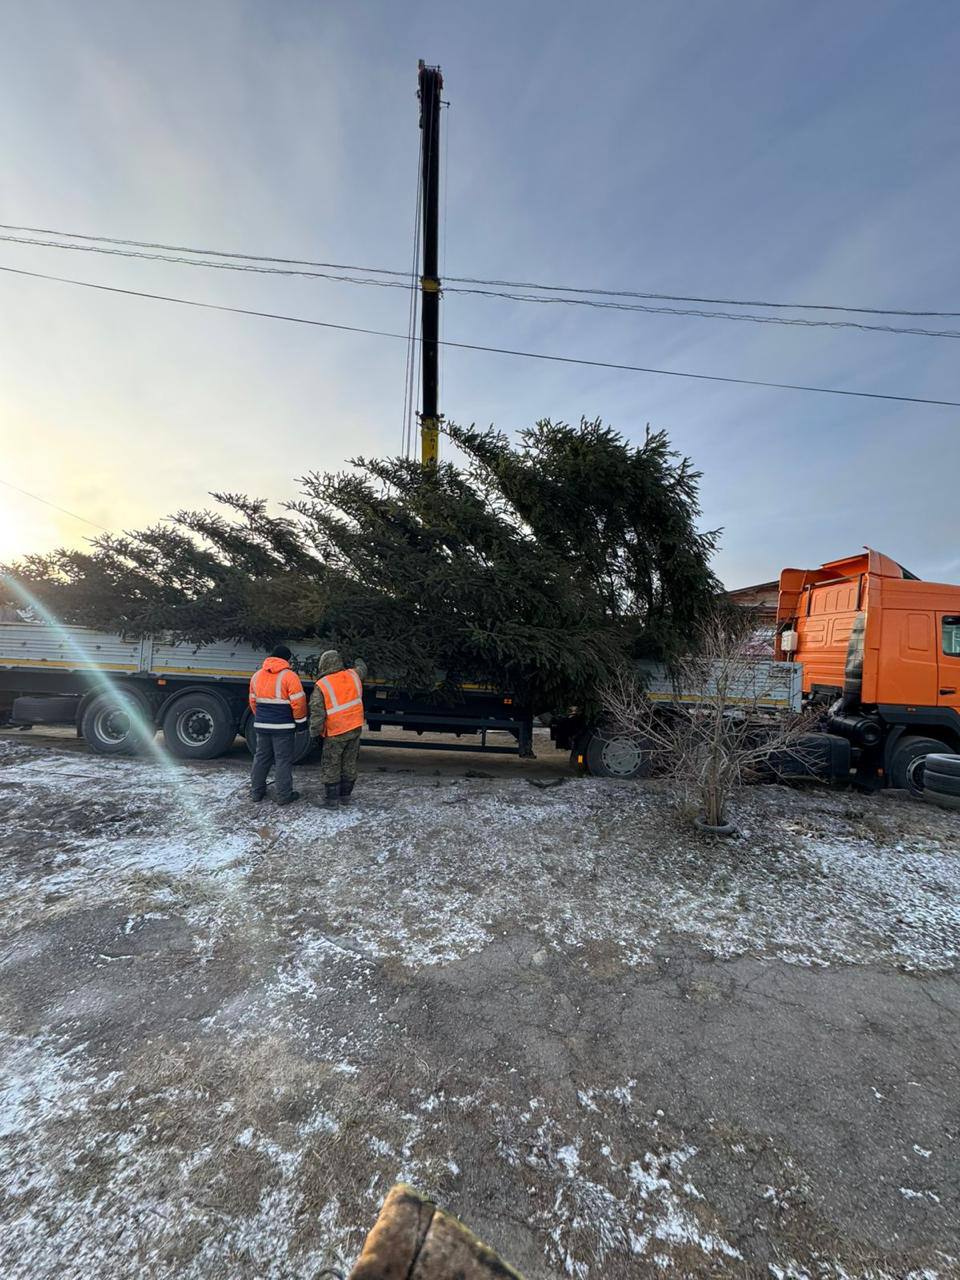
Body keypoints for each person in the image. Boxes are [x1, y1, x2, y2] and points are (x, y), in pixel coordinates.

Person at [249, 643, 308, 805]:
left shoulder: (257, 676)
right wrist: (300, 723)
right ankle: (283, 795)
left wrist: (261, 718)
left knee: (261, 758)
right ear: (286, 659)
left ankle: (256, 792)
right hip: (283, 727)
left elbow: (253, 702)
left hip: (262, 725)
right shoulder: (290, 677)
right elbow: (299, 703)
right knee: (282, 760)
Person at [309, 649, 367, 808]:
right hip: (355, 727)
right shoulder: (353, 675)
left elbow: (317, 712)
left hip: (335, 731)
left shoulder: (322, 684)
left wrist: (314, 733)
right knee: (349, 762)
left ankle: (331, 801)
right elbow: (363, 669)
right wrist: (359, 659)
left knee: (331, 764)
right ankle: (346, 797)